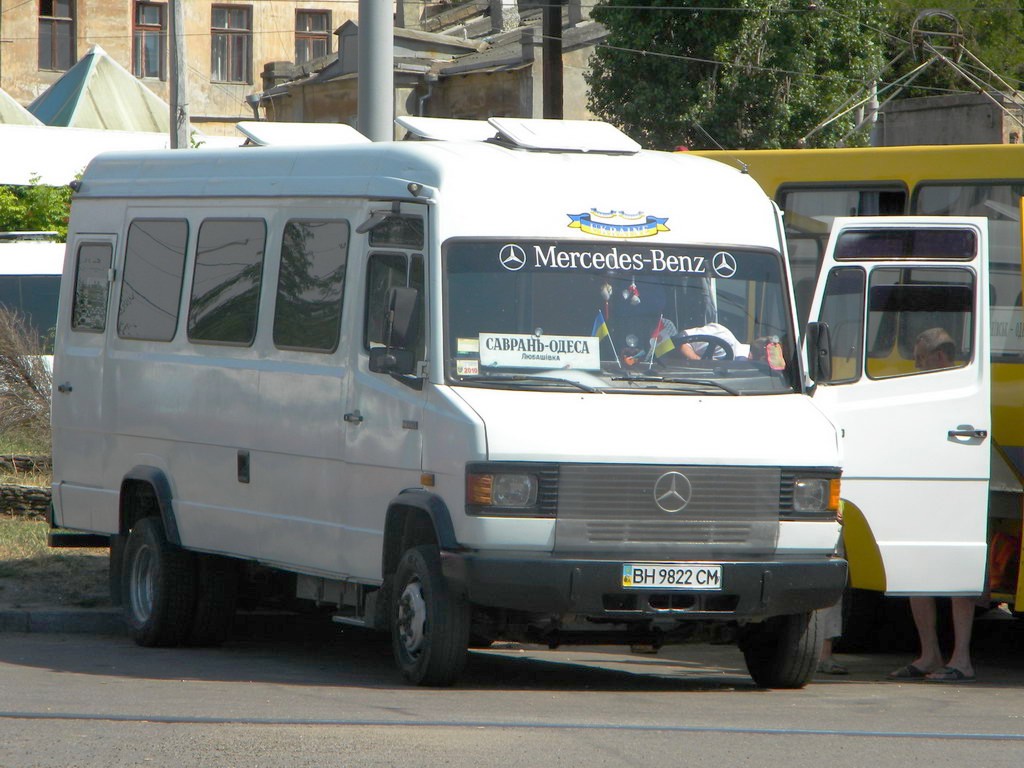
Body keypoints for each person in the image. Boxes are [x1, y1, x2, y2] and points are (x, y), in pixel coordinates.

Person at [889, 328, 975, 683]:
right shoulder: (921, 392)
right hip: (925, 486)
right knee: (916, 570)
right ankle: (929, 654)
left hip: (958, 488)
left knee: (958, 574)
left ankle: (962, 659)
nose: (916, 365)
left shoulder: (966, 387)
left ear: (939, 358)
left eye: (920, 359)